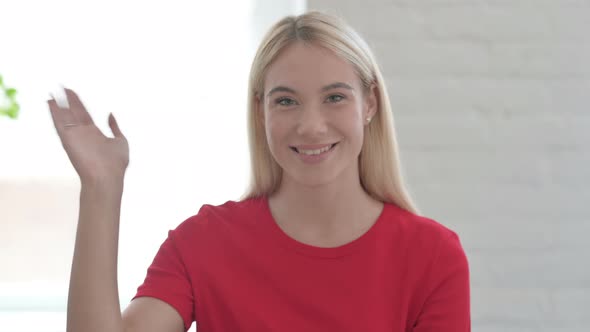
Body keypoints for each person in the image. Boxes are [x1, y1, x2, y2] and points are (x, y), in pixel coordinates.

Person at [48, 11, 470, 332]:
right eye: (286, 101)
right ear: (260, 111)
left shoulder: (433, 257)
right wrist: (101, 188)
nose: (311, 125)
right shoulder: (203, 243)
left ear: (370, 105)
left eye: (335, 98)